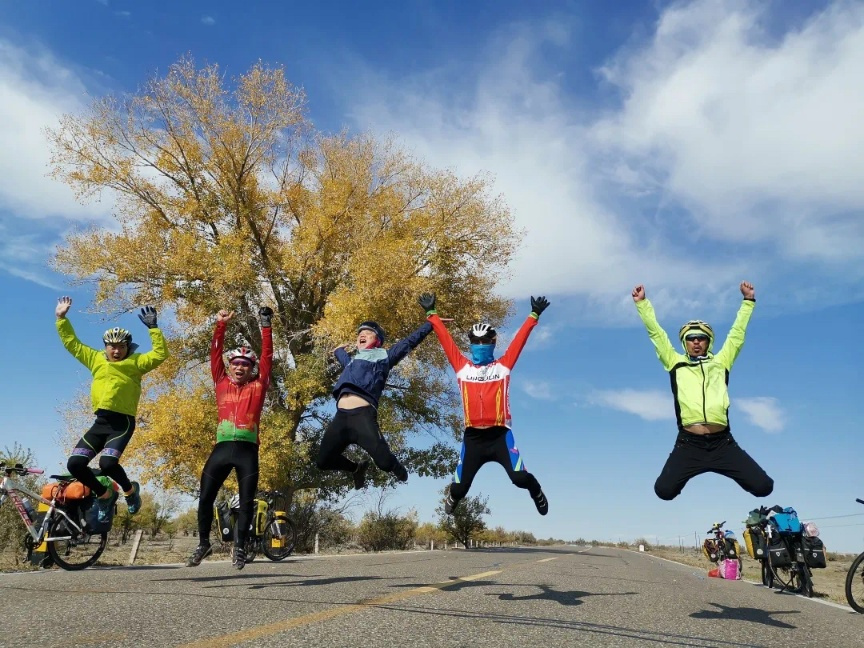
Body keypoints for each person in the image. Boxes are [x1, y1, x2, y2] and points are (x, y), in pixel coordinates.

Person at [632, 281, 774, 500]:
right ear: (684, 343)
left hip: (722, 443)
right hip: (689, 444)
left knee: (764, 487)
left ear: (709, 342)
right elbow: (657, 335)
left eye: (701, 338)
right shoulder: (674, 363)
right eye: (691, 339)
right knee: (664, 491)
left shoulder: (721, 361)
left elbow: (737, 334)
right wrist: (642, 304)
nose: (696, 342)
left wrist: (748, 301)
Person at [419, 292, 550, 516]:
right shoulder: (463, 368)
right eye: (475, 341)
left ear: (493, 343)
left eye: (485, 341)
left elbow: (519, 341)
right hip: (474, 438)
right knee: (459, 489)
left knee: (519, 478)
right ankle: (453, 496)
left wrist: (533, 315)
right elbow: (446, 341)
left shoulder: (503, 366)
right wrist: (432, 314)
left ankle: (536, 491)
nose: (480, 345)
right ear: (470, 344)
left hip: (500, 435)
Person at [56, 296, 169, 522]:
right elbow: (72, 344)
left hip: (122, 423)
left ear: (127, 347)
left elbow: (160, 354)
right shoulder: (95, 359)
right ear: (105, 347)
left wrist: (154, 328)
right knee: (75, 464)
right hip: (100, 423)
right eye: (112, 346)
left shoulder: (136, 363)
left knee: (107, 464)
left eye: (121, 346)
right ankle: (105, 494)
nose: (116, 351)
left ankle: (130, 492)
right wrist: (61, 318)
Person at [187, 306, 273, 570]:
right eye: (235, 363)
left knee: (247, 502)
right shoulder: (221, 382)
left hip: (248, 450)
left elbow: (268, 356)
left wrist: (266, 325)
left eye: (245, 365)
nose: (239, 368)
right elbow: (214, 352)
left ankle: (240, 547)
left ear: (252, 369)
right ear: (229, 366)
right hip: (221, 448)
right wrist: (220, 325)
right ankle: (204, 544)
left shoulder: (259, 385)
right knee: (205, 499)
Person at [316, 318, 433, 489]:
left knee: (384, 463)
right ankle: (356, 468)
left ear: (377, 340)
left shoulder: (384, 357)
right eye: (360, 334)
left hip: (363, 416)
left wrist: (431, 323)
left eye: (367, 333)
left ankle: (395, 465)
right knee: (323, 461)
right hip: (341, 418)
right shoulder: (351, 361)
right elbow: (341, 355)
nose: (362, 335)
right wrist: (338, 350)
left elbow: (410, 342)